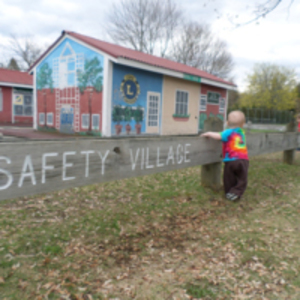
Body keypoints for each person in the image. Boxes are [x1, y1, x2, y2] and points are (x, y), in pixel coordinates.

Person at [201, 111, 249, 201]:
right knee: (242, 178)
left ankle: (229, 193)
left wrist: (208, 133)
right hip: (243, 160)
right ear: (243, 124)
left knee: (228, 178)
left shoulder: (228, 132)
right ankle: (237, 192)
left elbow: (218, 136)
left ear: (227, 123)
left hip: (230, 160)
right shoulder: (241, 132)